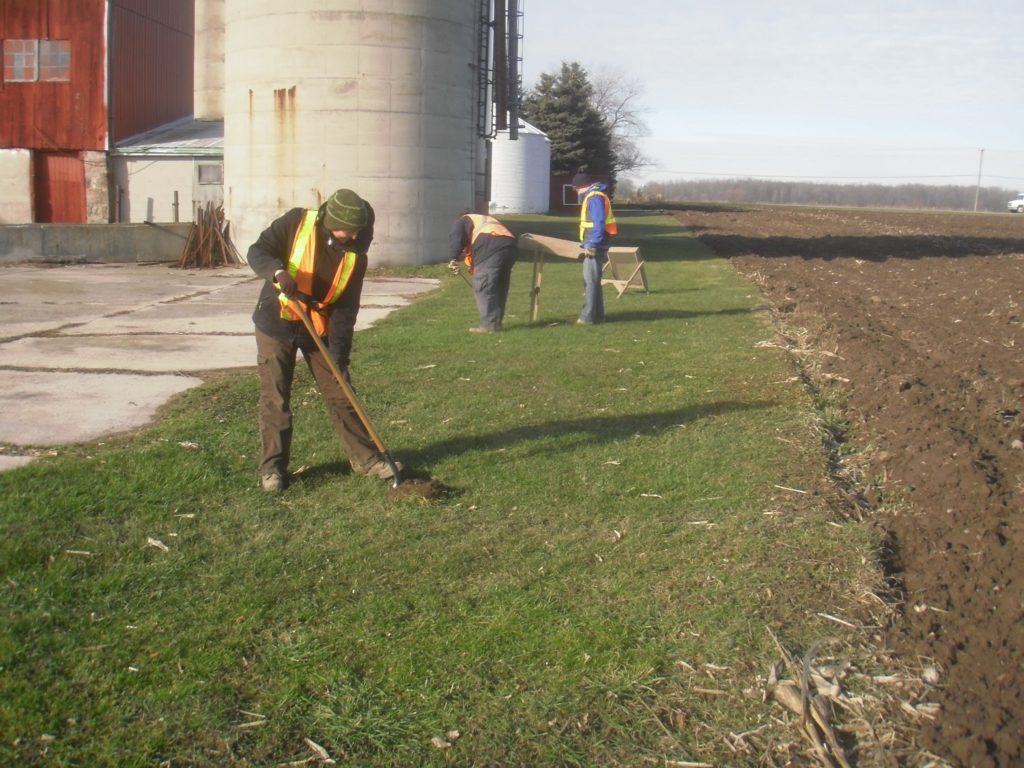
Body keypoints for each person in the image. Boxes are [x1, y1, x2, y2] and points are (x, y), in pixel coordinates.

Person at [247, 188, 400, 492]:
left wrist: (339, 358)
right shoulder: (296, 222)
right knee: (276, 397)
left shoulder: (356, 254)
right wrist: (277, 271)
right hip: (276, 322)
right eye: (349, 230)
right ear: (332, 221)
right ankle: (273, 470)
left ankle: (367, 459)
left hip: (318, 327)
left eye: (359, 230)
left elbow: (346, 310)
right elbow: (258, 250)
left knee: (341, 390)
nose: (353, 236)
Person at [447, 211, 519, 332]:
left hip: (490, 248)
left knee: (484, 286)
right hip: (511, 247)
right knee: (500, 286)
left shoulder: (463, 220)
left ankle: (488, 326)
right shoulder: (486, 220)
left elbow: (456, 238)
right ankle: (496, 324)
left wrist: (453, 258)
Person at [572, 169, 618, 324]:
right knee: (594, 281)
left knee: (590, 281)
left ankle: (587, 317)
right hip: (597, 243)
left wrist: (592, 244)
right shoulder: (596, 196)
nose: (577, 192)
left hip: (595, 244)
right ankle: (598, 316)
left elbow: (598, 223)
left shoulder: (594, 198)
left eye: (576, 189)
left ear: (580, 187)